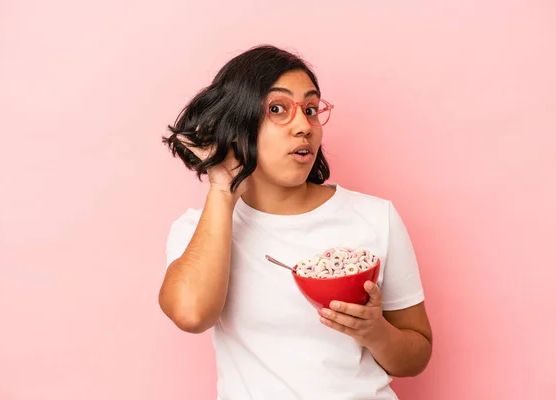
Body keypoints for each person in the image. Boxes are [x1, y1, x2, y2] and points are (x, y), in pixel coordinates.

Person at [158, 45, 432, 400]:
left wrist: (375, 332)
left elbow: (416, 356)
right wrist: (222, 190)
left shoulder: (375, 217)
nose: (304, 126)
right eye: (277, 109)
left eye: (311, 109)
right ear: (238, 125)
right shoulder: (198, 230)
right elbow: (192, 314)